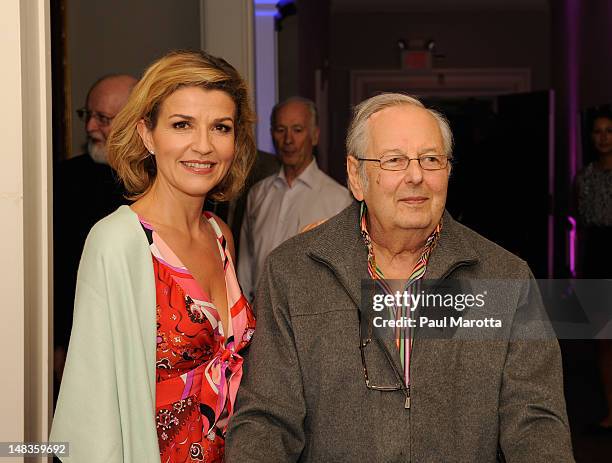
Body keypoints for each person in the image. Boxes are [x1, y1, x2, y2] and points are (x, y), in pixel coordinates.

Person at [226, 93, 574, 462]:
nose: (416, 176)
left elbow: (536, 422)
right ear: (356, 177)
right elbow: (266, 421)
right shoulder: (294, 272)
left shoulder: (504, 278)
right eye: (394, 160)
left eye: (431, 159)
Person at [50, 50, 257, 462]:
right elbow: (91, 412)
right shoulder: (117, 242)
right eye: (182, 125)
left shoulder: (221, 236)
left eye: (221, 127)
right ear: (147, 134)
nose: (203, 145)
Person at [53, 74, 137, 385]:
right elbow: (58, 270)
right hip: (77, 343)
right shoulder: (62, 179)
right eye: (87, 115)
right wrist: (58, 343)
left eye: (102, 118)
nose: (89, 127)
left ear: (134, 122)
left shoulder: (160, 185)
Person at [237, 97, 352, 300]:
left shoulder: (339, 200)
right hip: (258, 318)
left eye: (297, 130)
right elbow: (245, 271)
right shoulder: (257, 194)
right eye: (281, 130)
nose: (288, 140)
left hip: (309, 320)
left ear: (315, 136)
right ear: (272, 134)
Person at [575, 106, 612, 433]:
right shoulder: (584, 176)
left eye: (608, 131)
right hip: (598, 256)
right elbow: (583, 220)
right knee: (603, 338)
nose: (602, 137)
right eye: (597, 131)